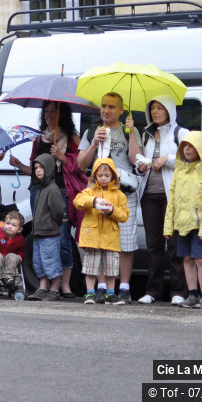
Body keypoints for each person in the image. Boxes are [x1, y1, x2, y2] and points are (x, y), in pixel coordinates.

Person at [9, 101, 81, 298]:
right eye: (46, 111)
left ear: (62, 114)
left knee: (63, 239)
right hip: (38, 193)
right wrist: (19, 165)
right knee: (41, 235)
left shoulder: (72, 138)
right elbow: (34, 170)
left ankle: (65, 285)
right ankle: (44, 284)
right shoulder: (39, 139)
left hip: (61, 191)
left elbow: (80, 166)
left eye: (53, 111)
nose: (49, 115)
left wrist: (62, 156)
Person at [78, 92, 139, 302]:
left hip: (123, 193)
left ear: (121, 110)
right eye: (103, 106)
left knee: (126, 243)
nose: (106, 110)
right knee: (100, 242)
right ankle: (102, 288)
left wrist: (132, 133)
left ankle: (124, 288)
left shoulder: (128, 131)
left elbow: (136, 160)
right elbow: (81, 165)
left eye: (111, 107)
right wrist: (94, 144)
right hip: (97, 194)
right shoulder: (90, 132)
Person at [130, 96, 189, 305]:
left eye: (160, 108)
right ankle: (152, 291)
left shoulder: (180, 133)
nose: (155, 112)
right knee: (153, 246)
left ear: (170, 110)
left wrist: (168, 159)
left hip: (172, 195)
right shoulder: (147, 134)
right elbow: (140, 165)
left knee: (174, 244)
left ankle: (179, 291)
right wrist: (141, 167)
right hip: (149, 195)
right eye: (153, 108)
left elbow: (192, 161)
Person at [163, 131, 202, 309]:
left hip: (199, 225)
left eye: (191, 146)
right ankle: (192, 294)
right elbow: (172, 201)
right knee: (186, 259)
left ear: (200, 148)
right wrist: (168, 226)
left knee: (200, 259)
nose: (186, 149)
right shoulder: (179, 172)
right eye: (184, 146)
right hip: (181, 224)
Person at [73, 159, 129, 305]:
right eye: (100, 175)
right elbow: (77, 201)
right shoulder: (89, 192)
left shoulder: (119, 195)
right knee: (90, 268)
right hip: (92, 238)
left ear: (113, 176)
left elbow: (124, 215)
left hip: (111, 238)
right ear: (94, 176)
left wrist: (111, 210)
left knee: (111, 269)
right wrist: (94, 201)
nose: (103, 178)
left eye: (107, 175)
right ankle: (90, 293)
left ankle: (110, 294)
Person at [25, 154, 66, 301]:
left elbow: (58, 210)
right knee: (38, 262)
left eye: (41, 167)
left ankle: (54, 289)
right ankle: (43, 287)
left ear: (48, 168)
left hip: (49, 233)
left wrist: (56, 222)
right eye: (36, 168)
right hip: (38, 233)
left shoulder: (52, 189)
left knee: (51, 261)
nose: (38, 170)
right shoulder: (39, 188)